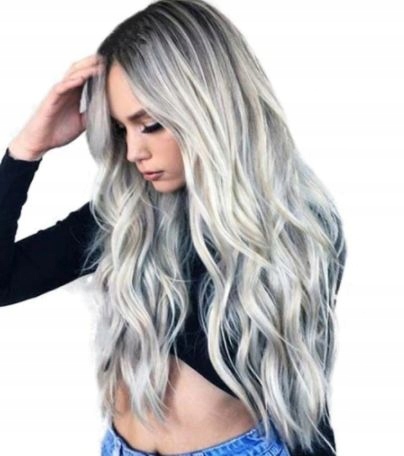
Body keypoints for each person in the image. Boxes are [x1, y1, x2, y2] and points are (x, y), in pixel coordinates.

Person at [0, 0, 347, 455]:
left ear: (206, 107)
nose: (133, 153)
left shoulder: (293, 226)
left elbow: (300, 394)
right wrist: (26, 150)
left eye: (149, 125)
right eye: (121, 130)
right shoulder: (125, 214)